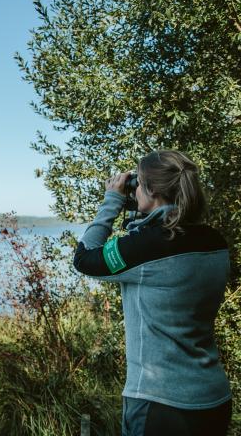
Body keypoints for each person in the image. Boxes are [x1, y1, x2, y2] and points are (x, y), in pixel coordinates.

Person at [73, 149, 232, 436]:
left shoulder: (146, 247)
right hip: (213, 400)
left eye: (138, 182)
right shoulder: (215, 242)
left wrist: (112, 200)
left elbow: (84, 258)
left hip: (160, 405)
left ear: (151, 190)